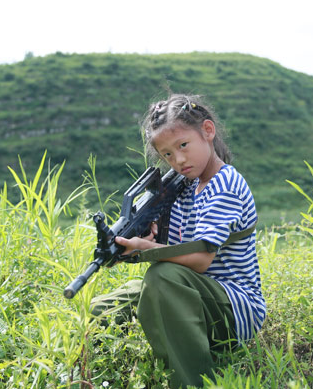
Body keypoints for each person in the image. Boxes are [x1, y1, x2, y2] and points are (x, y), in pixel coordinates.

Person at [91, 93, 266, 388]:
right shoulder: (183, 186)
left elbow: (199, 260)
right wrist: (139, 239)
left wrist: (146, 250)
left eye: (183, 145)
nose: (178, 160)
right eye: (167, 155)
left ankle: (192, 381)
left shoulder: (225, 184)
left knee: (161, 277)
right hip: (193, 295)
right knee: (101, 308)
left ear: (208, 132)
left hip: (235, 309)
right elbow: (173, 247)